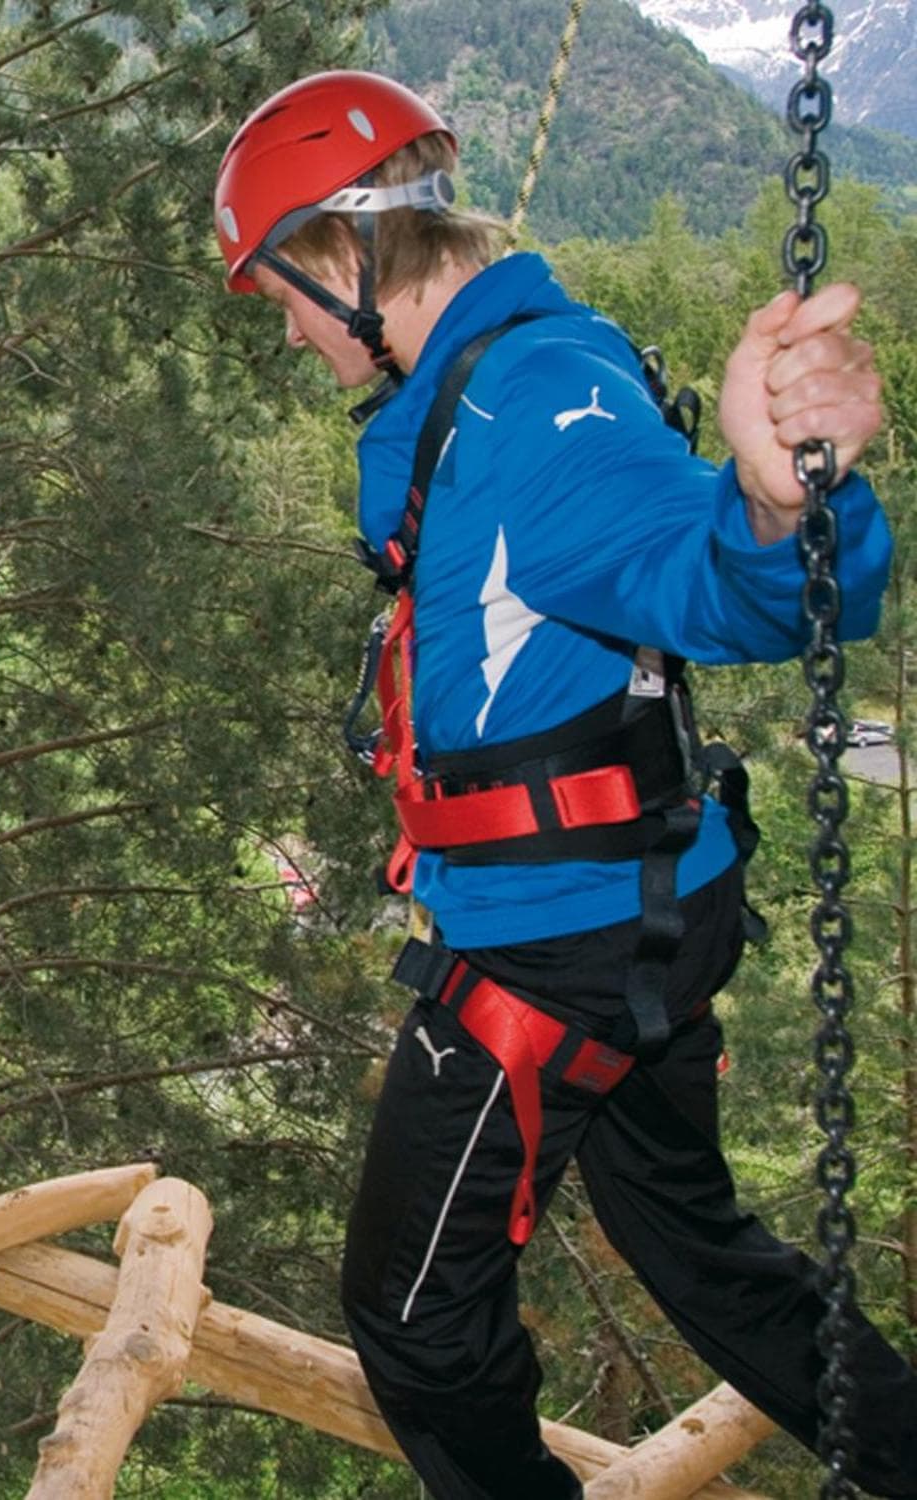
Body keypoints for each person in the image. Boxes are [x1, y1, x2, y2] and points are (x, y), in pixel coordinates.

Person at [213, 70, 916, 1498]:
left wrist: (780, 506)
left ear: (348, 249)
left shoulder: (532, 401)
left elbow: (699, 573)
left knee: (413, 1314)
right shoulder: (496, 378)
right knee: (693, 1244)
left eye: (283, 289)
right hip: (639, 897)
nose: (283, 327)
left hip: (562, 944)